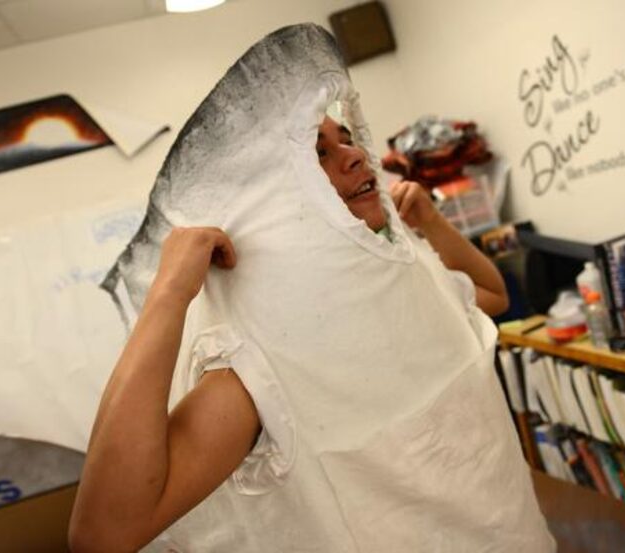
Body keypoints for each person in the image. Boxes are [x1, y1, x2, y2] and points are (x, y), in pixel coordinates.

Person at [69, 115, 525, 552]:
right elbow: (106, 533)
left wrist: (430, 220)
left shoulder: (403, 284)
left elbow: (491, 295)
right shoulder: (259, 366)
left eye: (346, 140)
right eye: (319, 154)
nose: (353, 157)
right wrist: (168, 293)